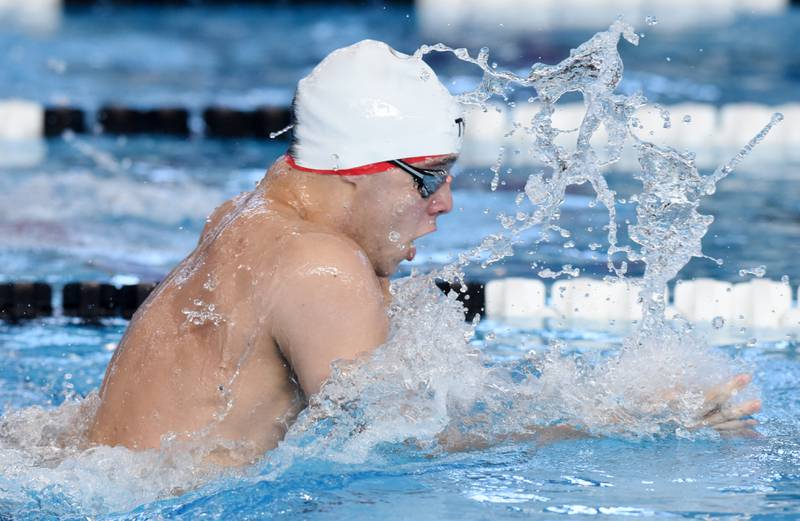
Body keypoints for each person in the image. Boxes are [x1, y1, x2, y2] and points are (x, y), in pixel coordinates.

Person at [88, 40, 760, 465]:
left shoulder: (244, 215)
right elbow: (405, 450)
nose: (445, 204)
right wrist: (623, 418)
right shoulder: (321, 270)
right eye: (430, 178)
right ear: (356, 167)